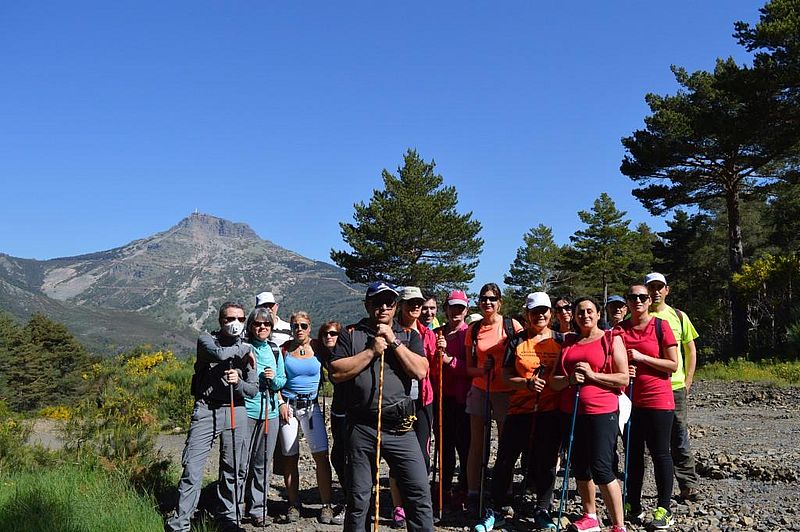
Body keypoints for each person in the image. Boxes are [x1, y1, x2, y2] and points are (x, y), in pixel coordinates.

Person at [329, 281, 433, 532]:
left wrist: (394, 342)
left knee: (418, 492)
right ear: (367, 305)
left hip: (401, 428)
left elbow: (420, 371)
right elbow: (336, 372)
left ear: (396, 306)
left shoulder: (409, 335)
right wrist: (371, 352)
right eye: (378, 302)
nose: (384, 307)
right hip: (361, 427)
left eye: (389, 302)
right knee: (359, 498)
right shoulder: (351, 334)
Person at [166, 302, 259, 532]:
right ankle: (180, 524)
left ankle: (228, 519)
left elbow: (252, 389)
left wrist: (238, 383)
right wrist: (243, 350)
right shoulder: (207, 340)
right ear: (220, 321)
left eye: (240, 319)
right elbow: (219, 354)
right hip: (207, 409)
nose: (235, 323)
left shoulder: (248, 348)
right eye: (229, 319)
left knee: (234, 468)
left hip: (236, 409)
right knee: (193, 469)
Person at [550, 297, 628, 532]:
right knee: (580, 466)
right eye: (580, 312)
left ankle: (618, 525)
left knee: (602, 467)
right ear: (574, 316)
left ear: (598, 314)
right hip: (571, 411)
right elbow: (554, 381)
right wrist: (569, 379)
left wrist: (593, 376)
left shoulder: (610, 339)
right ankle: (590, 515)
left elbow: (623, 378)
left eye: (589, 311)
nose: (585, 315)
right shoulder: (568, 342)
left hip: (602, 412)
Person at [488, 292, 562, 529]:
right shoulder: (516, 341)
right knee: (506, 459)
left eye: (544, 311)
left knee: (546, 461)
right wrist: (527, 383)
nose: (540, 315)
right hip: (520, 409)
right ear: (527, 314)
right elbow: (506, 376)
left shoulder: (561, 340)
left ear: (550, 313)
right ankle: (497, 507)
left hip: (550, 410)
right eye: (534, 311)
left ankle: (542, 508)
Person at [618, 285, 678, 529]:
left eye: (642, 297)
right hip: (629, 401)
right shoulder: (619, 330)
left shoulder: (661, 326)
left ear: (649, 300)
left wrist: (642, 358)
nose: (638, 301)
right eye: (633, 297)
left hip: (658, 400)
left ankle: (664, 508)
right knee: (632, 455)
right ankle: (633, 504)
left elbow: (673, 365)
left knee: (660, 453)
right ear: (627, 302)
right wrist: (624, 368)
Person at [464, 283, 523, 520]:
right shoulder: (473, 329)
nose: (487, 302)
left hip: (506, 391)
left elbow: (523, 355)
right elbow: (469, 368)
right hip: (481, 388)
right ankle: (473, 493)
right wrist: (482, 370)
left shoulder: (512, 326)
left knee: (506, 444)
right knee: (477, 444)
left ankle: (504, 492)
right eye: (483, 298)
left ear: (500, 302)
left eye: (492, 299)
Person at [645, 272, 702, 502]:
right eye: (651, 287)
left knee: (679, 437)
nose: (655, 291)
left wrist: (688, 381)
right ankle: (638, 488)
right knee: (646, 439)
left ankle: (688, 485)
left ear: (667, 290)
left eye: (660, 287)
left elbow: (690, 350)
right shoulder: (637, 315)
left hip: (674, 386)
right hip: (647, 388)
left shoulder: (678, 316)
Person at [277, 311, 334, 524]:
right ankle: (293, 504)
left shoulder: (318, 347)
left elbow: (334, 365)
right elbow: (277, 379)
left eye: (303, 325)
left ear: (310, 327)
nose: (299, 329)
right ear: (291, 328)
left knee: (321, 455)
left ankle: (326, 505)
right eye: (295, 326)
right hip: (289, 407)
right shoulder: (284, 350)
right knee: (290, 457)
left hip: (311, 407)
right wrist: (281, 402)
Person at [389, 286, 437, 528]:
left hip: (424, 400)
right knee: (398, 455)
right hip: (399, 401)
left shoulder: (428, 333)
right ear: (402, 306)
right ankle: (399, 506)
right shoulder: (393, 331)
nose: (416, 307)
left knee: (422, 454)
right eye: (411, 303)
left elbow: (432, 367)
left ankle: (417, 505)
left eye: (419, 303)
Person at [243, 307, 287, 526]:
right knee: (241, 462)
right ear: (251, 326)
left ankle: (258, 510)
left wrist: (272, 380)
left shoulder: (274, 349)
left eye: (266, 324)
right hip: (246, 411)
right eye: (258, 323)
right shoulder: (243, 347)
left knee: (262, 463)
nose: (262, 327)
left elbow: (282, 380)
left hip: (270, 412)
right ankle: (235, 508)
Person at [433, 290, 472, 509]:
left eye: (460, 307)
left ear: (466, 310)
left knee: (464, 447)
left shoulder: (470, 334)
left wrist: (449, 360)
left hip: (464, 399)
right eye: (452, 307)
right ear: (446, 309)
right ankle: (445, 487)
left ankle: (464, 488)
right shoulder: (438, 333)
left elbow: (472, 369)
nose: (456, 311)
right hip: (441, 398)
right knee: (444, 446)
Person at [317, 321, 347, 526]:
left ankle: (353, 503)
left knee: (349, 458)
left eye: (334, 333)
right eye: (325, 334)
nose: (329, 336)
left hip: (351, 412)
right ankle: (349, 498)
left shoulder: (347, 355)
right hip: (337, 411)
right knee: (338, 457)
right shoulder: (325, 355)